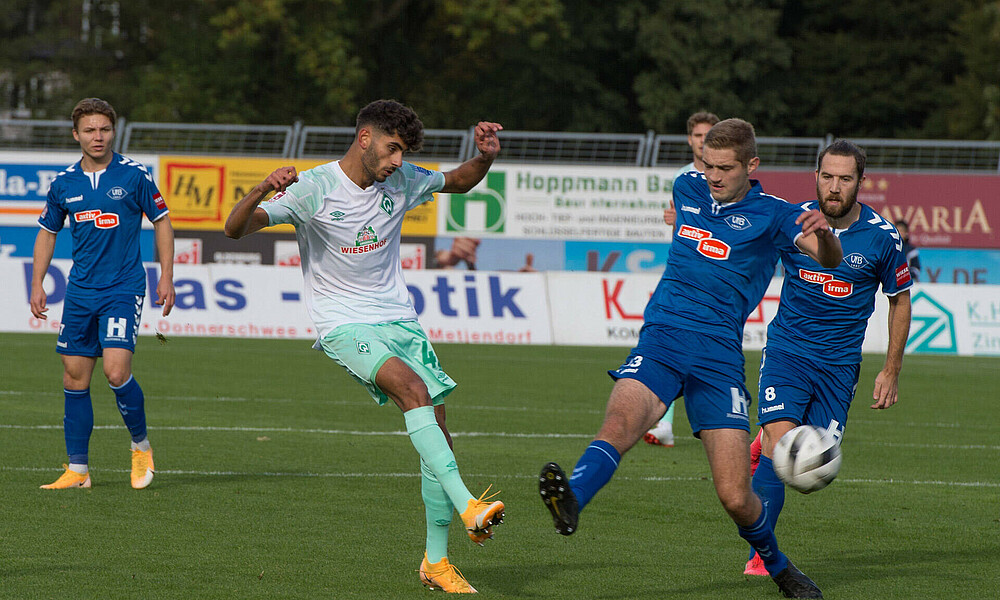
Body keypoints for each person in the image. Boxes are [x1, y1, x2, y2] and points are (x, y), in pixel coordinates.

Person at [538, 118, 841, 599]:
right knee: (620, 423)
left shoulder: (776, 215)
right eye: (707, 165)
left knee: (735, 497)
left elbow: (828, 260)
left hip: (719, 358)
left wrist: (826, 235)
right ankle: (572, 499)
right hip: (663, 337)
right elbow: (689, 226)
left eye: (724, 168)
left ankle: (780, 568)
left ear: (752, 165)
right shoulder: (686, 186)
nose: (713, 176)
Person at [224, 99, 505, 594]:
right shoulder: (313, 188)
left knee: (438, 434)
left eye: (404, 152)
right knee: (413, 391)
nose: (398, 161)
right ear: (365, 138)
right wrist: (263, 188)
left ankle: (436, 562)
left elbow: (459, 181)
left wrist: (484, 156)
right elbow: (234, 228)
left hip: (400, 320)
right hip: (342, 322)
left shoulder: (403, 180)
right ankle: (469, 506)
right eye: (392, 149)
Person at [743, 140, 912, 576]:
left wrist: (891, 369)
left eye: (845, 179)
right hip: (788, 352)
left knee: (810, 473)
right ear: (815, 176)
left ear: (860, 182)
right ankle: (762, 556)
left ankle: (762, 442)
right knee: (783, 448)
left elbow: (899, 300)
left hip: (839, 367)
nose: (834, 187)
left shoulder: (882, 236)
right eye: (827, 176)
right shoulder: (792, 220)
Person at [30, 97, 175, 490]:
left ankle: (141, 447)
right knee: (74, 377)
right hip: (80, 292)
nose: (98, 137)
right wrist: (37, 282)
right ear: (76, 135)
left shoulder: (134, 175)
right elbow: (47, 232)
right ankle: (78, 470)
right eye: (90, 130)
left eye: (105, 129)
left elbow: (162, 221)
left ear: (114, 131)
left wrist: (166, 275)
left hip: (123, 287)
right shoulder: (63, 183)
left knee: (115, 371)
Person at [644, 110, 720, 448]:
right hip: (684, 270)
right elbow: (683, 225)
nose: (703, 141)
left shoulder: (726, 176)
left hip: (716, 275)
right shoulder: (682, 176)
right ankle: (665, 422)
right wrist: (675, 221)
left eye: (709, 135)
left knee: (700, 348)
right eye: (698, 135)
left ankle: (715, 420)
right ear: (690, 140)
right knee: (669, 339)